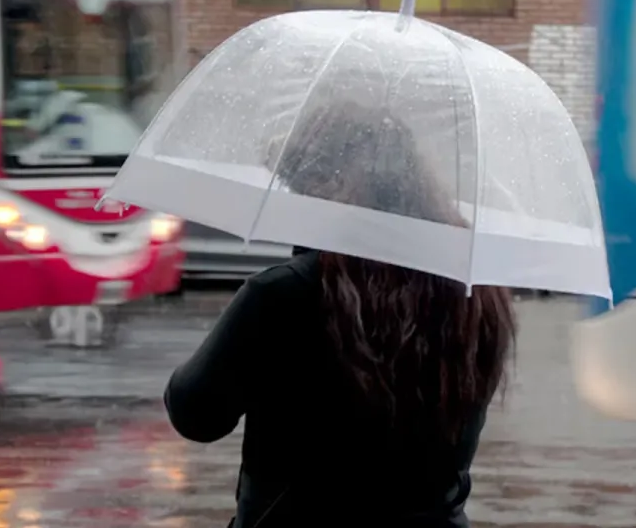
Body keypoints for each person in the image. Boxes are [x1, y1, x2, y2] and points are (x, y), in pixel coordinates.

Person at [164, 101, 518, 528]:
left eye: (297, 187)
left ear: (320, 186)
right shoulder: (473, 293)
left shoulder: (284, 294)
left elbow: (197, 415)